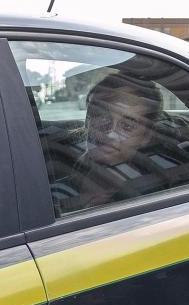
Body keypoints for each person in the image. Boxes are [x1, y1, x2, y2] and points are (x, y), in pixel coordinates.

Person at [58, 74, 167, 212]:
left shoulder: (158, 193)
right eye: (102, 119)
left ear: (146, 137)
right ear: (87, 121)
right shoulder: (56, 189)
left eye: (127, 126)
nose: (110, 133)